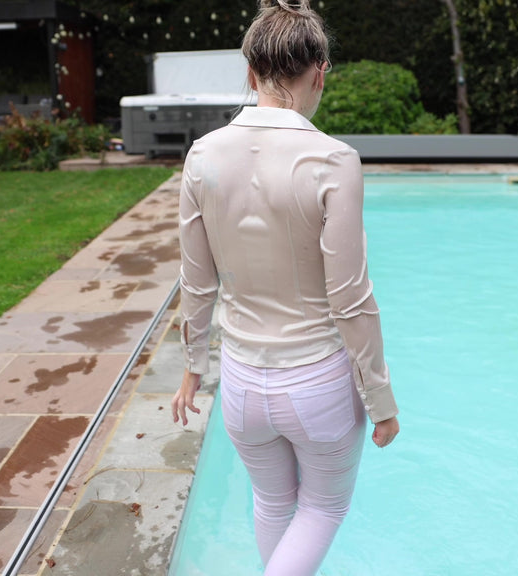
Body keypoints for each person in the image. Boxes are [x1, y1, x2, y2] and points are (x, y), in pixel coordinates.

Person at [170, 1, 400, 573]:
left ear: (250, 73)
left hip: (242, 388)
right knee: (322, 508)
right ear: (319, 71)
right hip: (317, 384)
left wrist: (192, 368)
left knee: (273, 501)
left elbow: (196, 282)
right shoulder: (334, 160)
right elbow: (350, 297)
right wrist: (381, 400)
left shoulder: (202, 155)